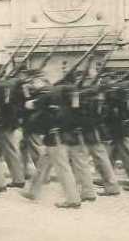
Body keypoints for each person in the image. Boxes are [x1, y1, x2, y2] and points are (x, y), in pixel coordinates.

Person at [22, 75, 83, 208]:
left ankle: (73, 199)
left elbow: (28, 105)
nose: (33, 84)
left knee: (63, 169)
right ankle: (32, 191)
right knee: (42, 165)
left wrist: (28, 94)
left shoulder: (48, 95)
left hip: (55, 138)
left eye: (34, 82)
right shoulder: (67, 96)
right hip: (63, 136)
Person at [100, 75, 129, 192]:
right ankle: (109, 182)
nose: (102, 84)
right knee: (108, 157)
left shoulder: (114, 93)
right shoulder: (124, 92)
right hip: (119, 130)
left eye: (103, 82)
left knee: (128, 157)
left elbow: (111, 112)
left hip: (119, 131)